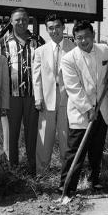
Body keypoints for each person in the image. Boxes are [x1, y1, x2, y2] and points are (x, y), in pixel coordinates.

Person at [59, 20, 108, 196]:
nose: (83, 41)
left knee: (97, 149)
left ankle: (94, 180)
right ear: (74, 39)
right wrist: (88, 109)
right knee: (75, 150)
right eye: (79, 38)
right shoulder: (68, 59)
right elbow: (73, 88)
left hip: (102, 109)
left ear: (93, 36)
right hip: (81, 111)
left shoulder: (103, 50)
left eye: (87, 37)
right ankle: (67, 186)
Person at [0, 8, 42, 175]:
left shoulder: (38, 41)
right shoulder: (2, 43)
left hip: (33, 96)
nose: (21, 23)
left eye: (24, 19)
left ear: (28, 20)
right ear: (11, 21)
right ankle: (11, 171)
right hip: (11, 97)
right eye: (17, 20)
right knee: (10, 136)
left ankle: (32, 170)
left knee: (33, 135)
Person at [33, 14, 75, 175]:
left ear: (63, 28)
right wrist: (38, 98)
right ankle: (41, 174)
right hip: (47, 99)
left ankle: (68, 174)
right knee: (44, 138)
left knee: (66, 137)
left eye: (57, 27)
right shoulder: (40, 51)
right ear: (46, 30)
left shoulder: (73, 48)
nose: (54, 31)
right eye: (51, 28)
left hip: (69, 98)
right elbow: (36, 77)